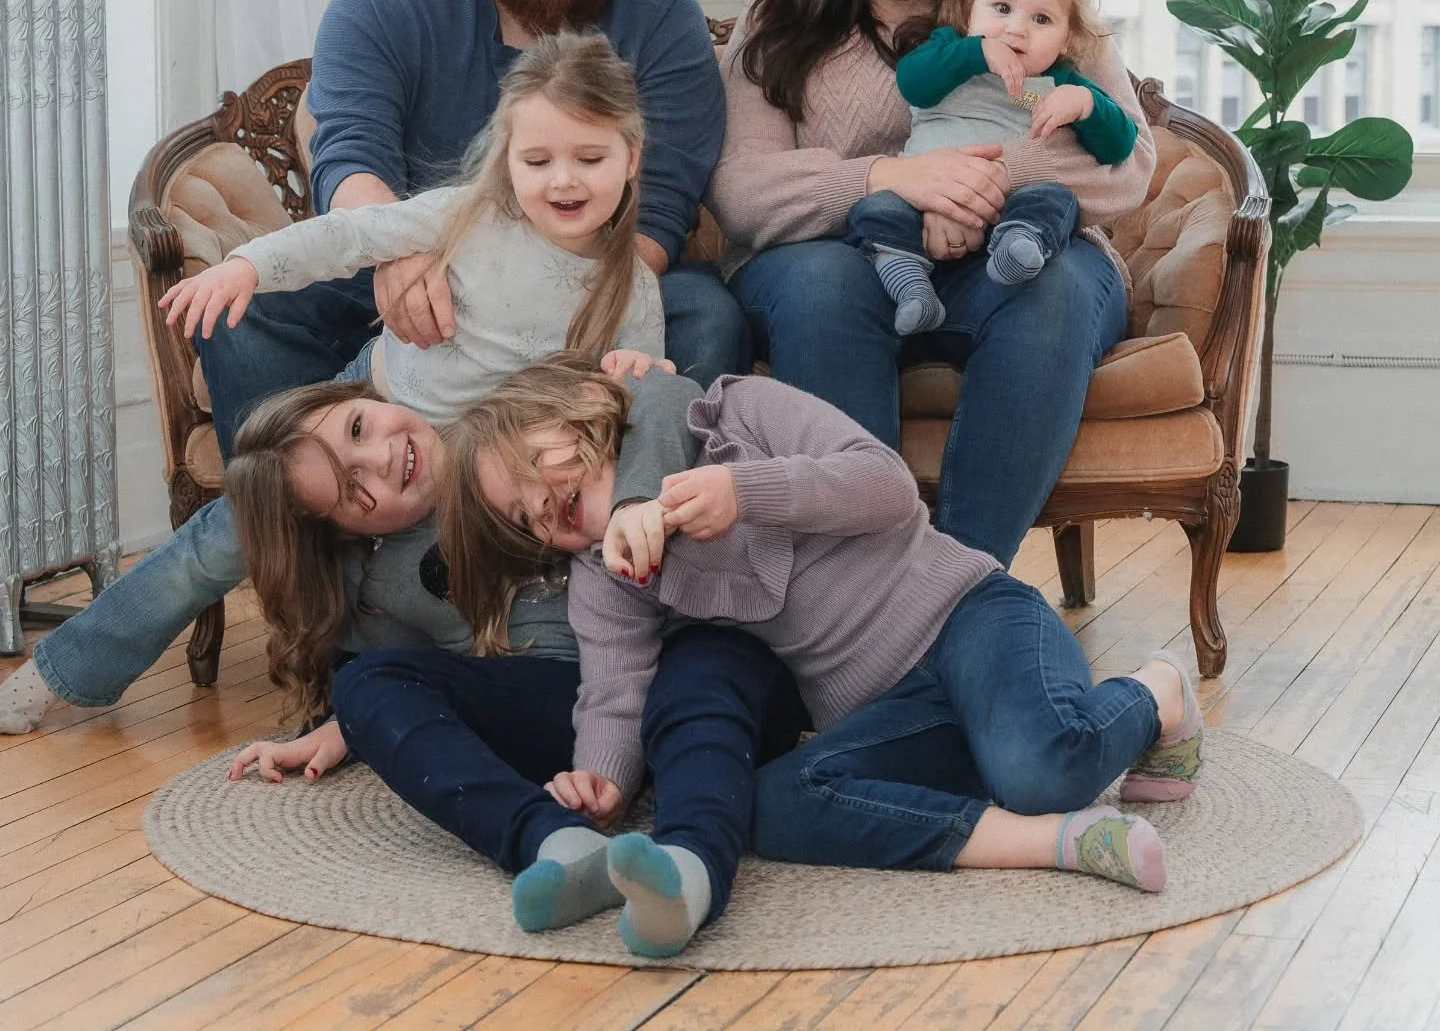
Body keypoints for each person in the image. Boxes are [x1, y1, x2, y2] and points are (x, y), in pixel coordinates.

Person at [449, 356, 1205, 957]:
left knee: (1043, 769)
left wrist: (745, 492)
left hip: (973, 619)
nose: (541, 508)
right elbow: (613, 688)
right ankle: (1060, 842)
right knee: (771, 807)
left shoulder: (737, 414)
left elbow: (886, 487)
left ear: (586, 400)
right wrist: (603, 781)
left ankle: (1159, 688)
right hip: (894, 709)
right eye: (522, 518)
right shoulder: (607, 576)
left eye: (533, 470)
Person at [198, 0, 749, 458]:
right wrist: (398, 259)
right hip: (406, 261)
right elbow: (351, 151)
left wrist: (540, 314)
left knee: (706, 314)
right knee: (246, 313)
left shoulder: (664, 15)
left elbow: (661, 207)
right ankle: (300, 544)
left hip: (588, 281)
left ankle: (626, 539)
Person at [705, 0, 1156, 568]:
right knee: (820, 284)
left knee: (1055, 285)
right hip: (844, 266)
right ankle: (861, 595)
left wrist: (975, 187)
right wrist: (895, 177)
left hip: (1007, 260)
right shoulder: (786, 9)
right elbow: (744, 190)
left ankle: (955, 594)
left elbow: (1130, 167)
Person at [221, 368, 805, 959]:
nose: (382, 457)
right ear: (340, 533)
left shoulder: (512, 424)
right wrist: (348, 726)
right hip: (565, 702)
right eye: (351, 488)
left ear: (370, 398)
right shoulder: (381, 583)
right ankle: (556, 842)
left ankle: (689, 867)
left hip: (703, 652)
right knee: (363, 683)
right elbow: (410, 683)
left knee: (705, 672)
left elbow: (662, 397)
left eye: (359, 428)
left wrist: (633, 502)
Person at [160, 31, 663, 419]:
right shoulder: (466, 215)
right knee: (268, 500)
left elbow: (639, 402)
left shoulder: (632, 286)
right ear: (508, 159)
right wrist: (248, 265)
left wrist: (638, 382)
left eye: (590, 158)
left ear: (632, 158)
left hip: (481, 470)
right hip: (376, 403)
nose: (563, 181)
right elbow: (350, 235)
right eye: (537, 162)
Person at [847, 0, 1137, 334]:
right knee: (876, 209)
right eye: (1001, 8)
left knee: (1056, 201)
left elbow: (1121, 147)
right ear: (968, 9)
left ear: (1067, 38)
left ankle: (1020, 251)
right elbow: (913, 84)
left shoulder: (1053, 82)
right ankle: (910, 287)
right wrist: (977, 53)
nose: (1016, 30)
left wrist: (1087, 105)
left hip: (1006, 216)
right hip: (921, 205)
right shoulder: (951, 51)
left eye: (1041, 20)